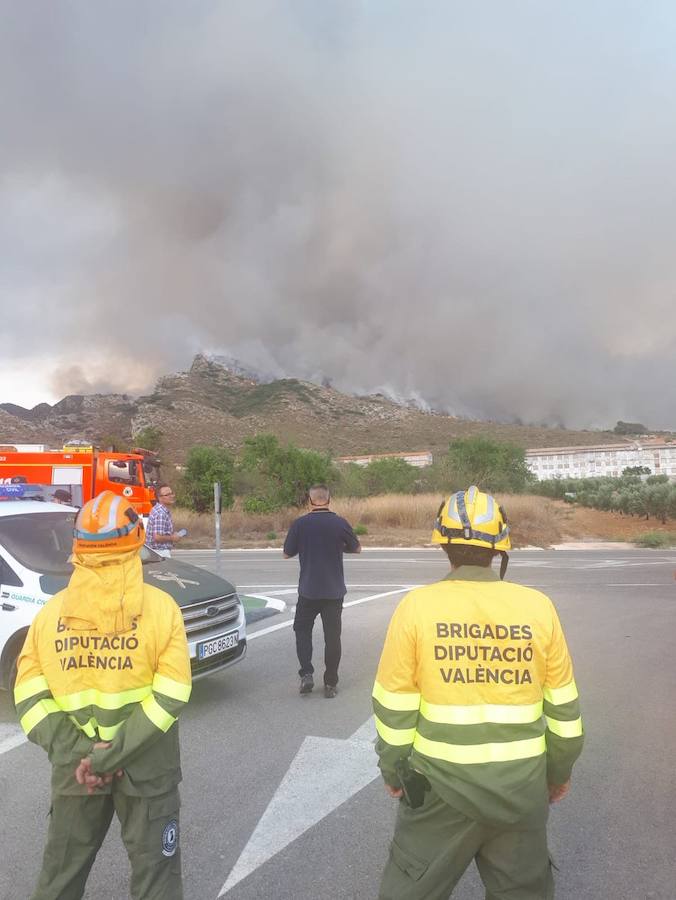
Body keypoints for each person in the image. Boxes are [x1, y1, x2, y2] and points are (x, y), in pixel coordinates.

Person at [373, 486, 584, 899]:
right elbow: (565, 714)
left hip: (438, 792)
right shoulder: (538, 607)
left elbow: (393, 706)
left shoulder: (417, 607)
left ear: (442, 543)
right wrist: (557, 774)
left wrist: (393, 771)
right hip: (521, 792)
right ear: (500, 547)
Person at [14, 490, 192, 900]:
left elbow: (28, 696)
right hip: (147, 769)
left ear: (76, 549)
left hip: (76, 772)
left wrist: (82, 755)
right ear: (136, 540)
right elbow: (172, 693)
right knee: (156, 882)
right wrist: (109, 756)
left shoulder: (49, 615)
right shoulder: (163, 609)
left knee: (59, 880)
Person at [283, 483, 361, 698]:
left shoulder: (300, 524)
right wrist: (338, 547)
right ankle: (330, 683)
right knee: (332, 637)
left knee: (302, 631)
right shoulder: (340, 523)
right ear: (329, 499)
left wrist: (306, 547)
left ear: (309, 501)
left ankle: (306, 674)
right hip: (334, 592)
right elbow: (357, 548)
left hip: (308, 590)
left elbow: (286, 554)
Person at [146, 483, 182, 557]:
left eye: (171, 493)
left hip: (156, 552)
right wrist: (173, 537)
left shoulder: (158, 509)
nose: (171, 496)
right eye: (167, 495)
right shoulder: (161, 513)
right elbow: (157, 537)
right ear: (159, 498)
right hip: (159, 552)